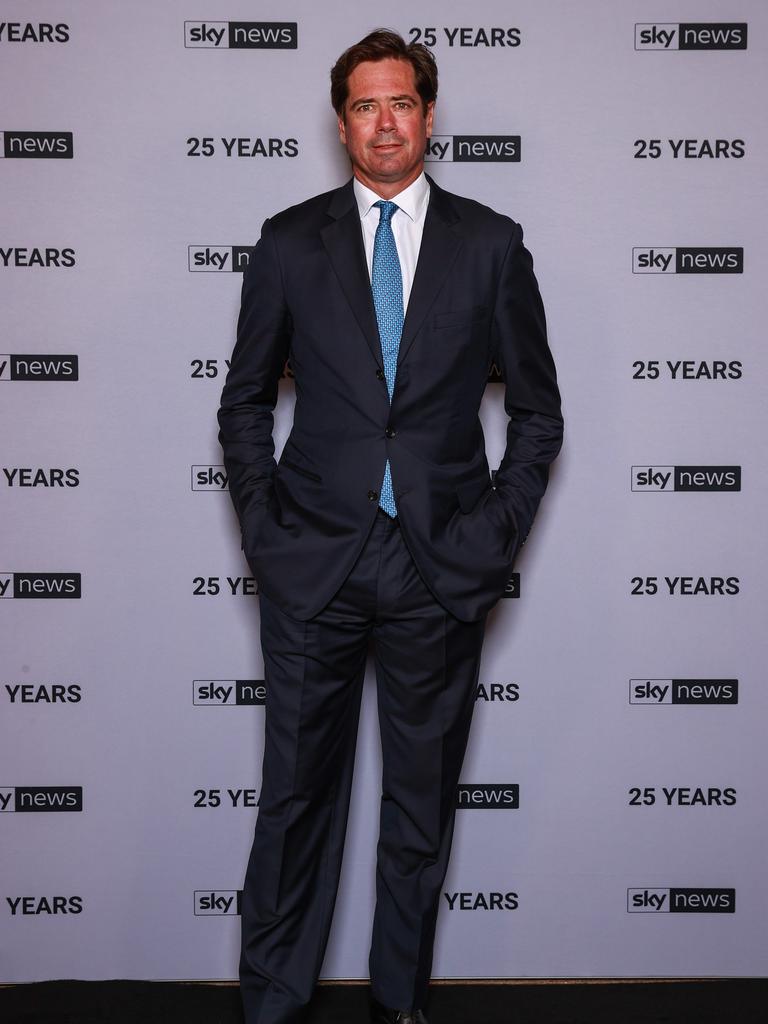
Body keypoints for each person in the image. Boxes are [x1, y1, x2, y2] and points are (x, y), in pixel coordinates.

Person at [217, 28, 563, 1024]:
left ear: (428, 114)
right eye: (365, 106)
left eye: (401, 102)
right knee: (292, 804)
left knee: (418, 807)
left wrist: (493, 531)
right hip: (312, 560)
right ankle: (274, 1004)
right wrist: (263, 530)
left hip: (437, 564)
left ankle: (398, 1002)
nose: (384, 123)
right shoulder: (289, 241)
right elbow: (244, 402)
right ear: (340, 124)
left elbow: (537, 411)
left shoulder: (491, 242)